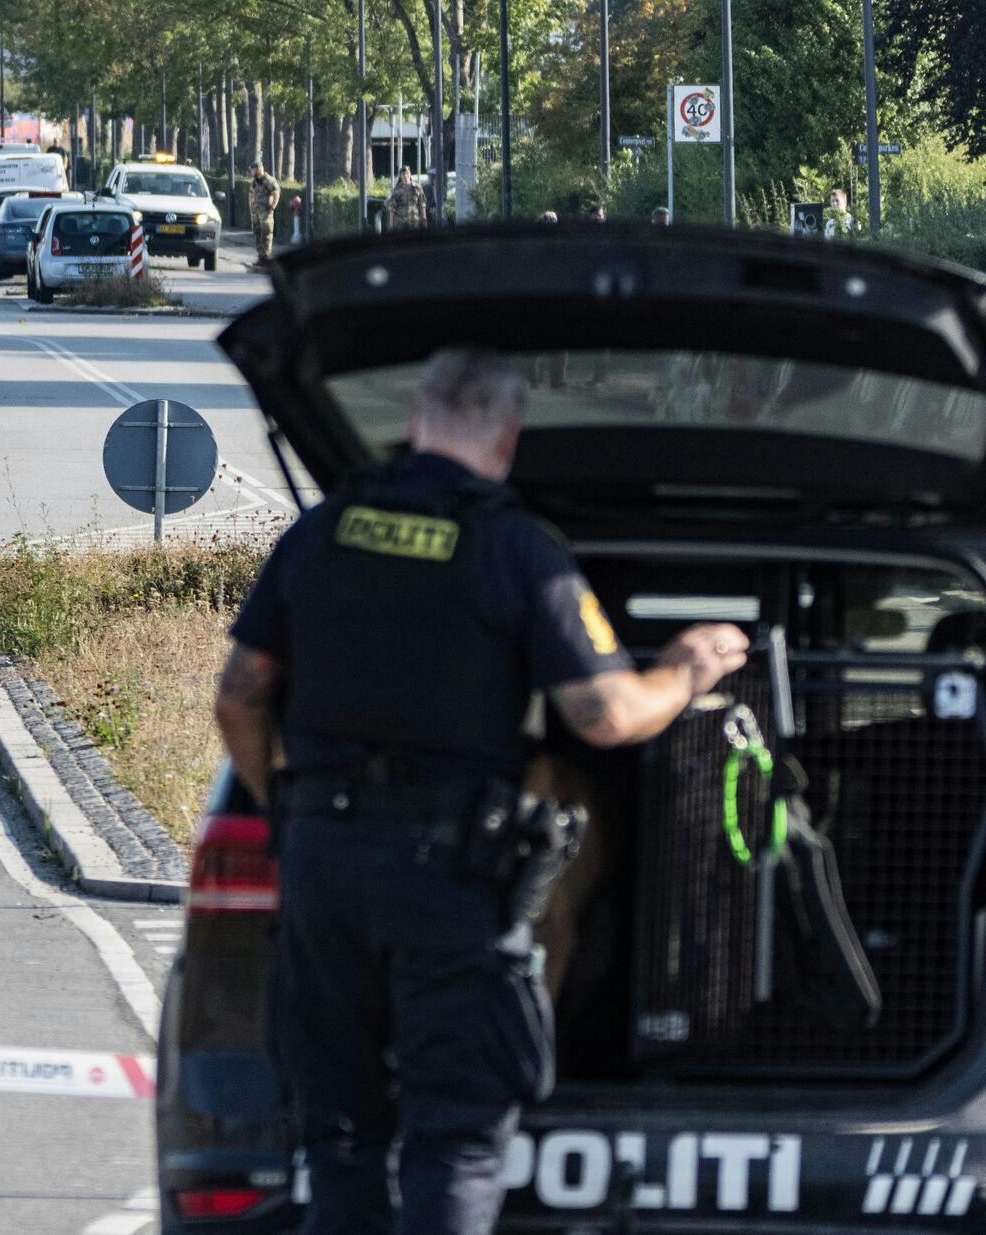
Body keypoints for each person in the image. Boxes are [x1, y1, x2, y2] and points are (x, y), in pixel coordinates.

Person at [213, 348, 748, 1235]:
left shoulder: (323, 531)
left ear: (416, 422)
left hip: (322, 875)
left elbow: (239, 699)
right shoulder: (515, 549)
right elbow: (607, 715)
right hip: (449, 880)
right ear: (508, 438)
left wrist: (291, 812)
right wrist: (683, 672)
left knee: (337, 1137)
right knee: (453, 1142)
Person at [249, 162, 281, 267]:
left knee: (266, 234)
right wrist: (251, 206)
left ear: (258, 169)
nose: (251, 172)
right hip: (256, 213)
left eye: (252, 170)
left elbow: (276, 193)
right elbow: (251, 193)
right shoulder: (254, 181)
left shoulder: (269, 181)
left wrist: (273, 207)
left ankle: (266, 257)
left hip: (266, 213)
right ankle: (260, 257)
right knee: (257, 233)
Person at [385, 165, 427, 230]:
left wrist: (424, 219)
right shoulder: (397, 189)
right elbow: (392, 207)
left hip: (414, 220)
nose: (405, 176)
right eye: (403, 174)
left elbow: (422, 204)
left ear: (410, 174)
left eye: (407, 173)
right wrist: (391, 224)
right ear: (401, 176)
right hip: (400, 222)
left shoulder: (417, 187)